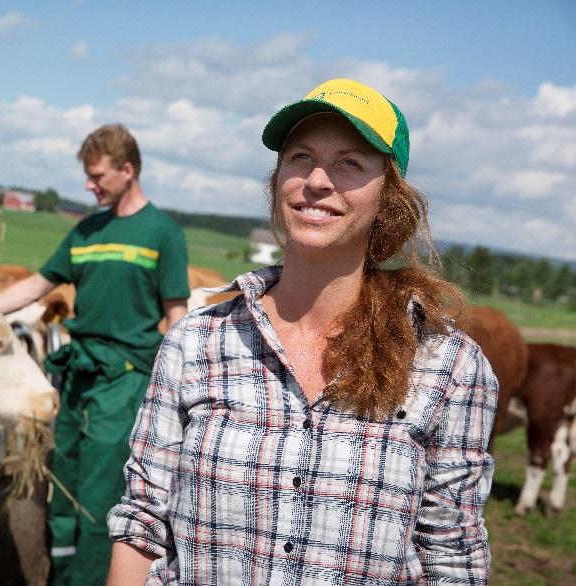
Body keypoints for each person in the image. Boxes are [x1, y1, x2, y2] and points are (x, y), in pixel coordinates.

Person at [106, 79, 498, 585]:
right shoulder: (196, 343)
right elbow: (143, 522)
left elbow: (453, 561)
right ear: (276, 180)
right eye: (300, 157)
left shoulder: (448, 367)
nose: (316, 180)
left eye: (349, 164)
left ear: (389, 198)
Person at [0, 123, 190, 586]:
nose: (88, 185)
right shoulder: (85, 231)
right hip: (76, 379)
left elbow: (176, 317)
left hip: (123, 384)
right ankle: (59, 577)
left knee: (101, 497)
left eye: (97, 175)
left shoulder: (162, 232)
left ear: (128, 170)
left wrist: (182, 393)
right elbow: (39, 285)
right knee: (63, 491)